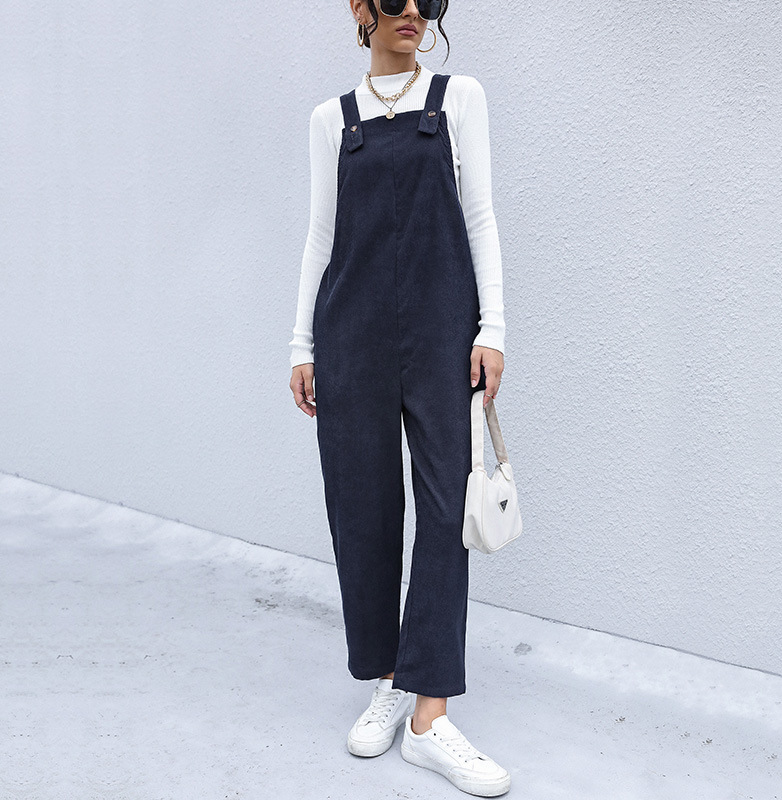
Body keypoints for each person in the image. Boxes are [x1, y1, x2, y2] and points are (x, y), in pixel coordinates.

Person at [288, 1, 510, 795]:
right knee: (363, 508)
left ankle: (429, 717)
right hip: (350, 336)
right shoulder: (332, 119)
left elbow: (480, 216)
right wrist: (302, 344)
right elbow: (321, 235)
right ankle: (390, 676)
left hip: (443, 331)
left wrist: (493, 328)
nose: (413, 10)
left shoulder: (459, 98)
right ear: (359, 7)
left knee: (447, 510)